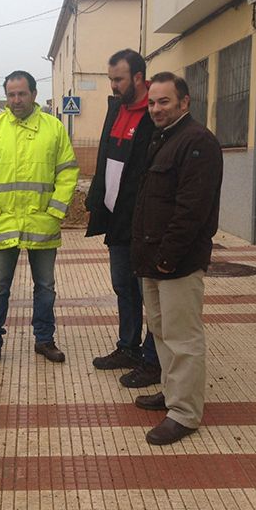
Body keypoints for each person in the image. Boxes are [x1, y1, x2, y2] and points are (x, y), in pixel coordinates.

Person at [131, 72, 223, 445]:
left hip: (176, 262)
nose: (156, 108)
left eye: (164, 101)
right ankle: (172, 396)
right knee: (162, 333)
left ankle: (185, 413)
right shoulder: (165, 138)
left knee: (183, 338)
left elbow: (191, 210)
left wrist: (168, 258)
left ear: (184, 102)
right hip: (153, 260)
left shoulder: (198, 142)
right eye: (152, 102)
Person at [0, 70, 79, 369]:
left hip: (42, 224)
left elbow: (68, 171)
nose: (16, 100)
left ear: (33, 94)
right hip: (4, 224)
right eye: (11, 94)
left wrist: (55, 211)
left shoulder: (54, 129)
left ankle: (44, 340)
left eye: (22, 94)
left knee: (45, 287)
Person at [86, 49, 162, 388]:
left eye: (118, 79)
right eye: (111, 79)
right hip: (117, 220)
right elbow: (106, 157)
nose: (114, 85)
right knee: (123, 287)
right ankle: (128, 347)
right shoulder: (116, 109)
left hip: (145, 223)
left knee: (149, 294)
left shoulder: (155, 114)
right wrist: (96, 199)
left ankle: (153, 359)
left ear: (138, 78)